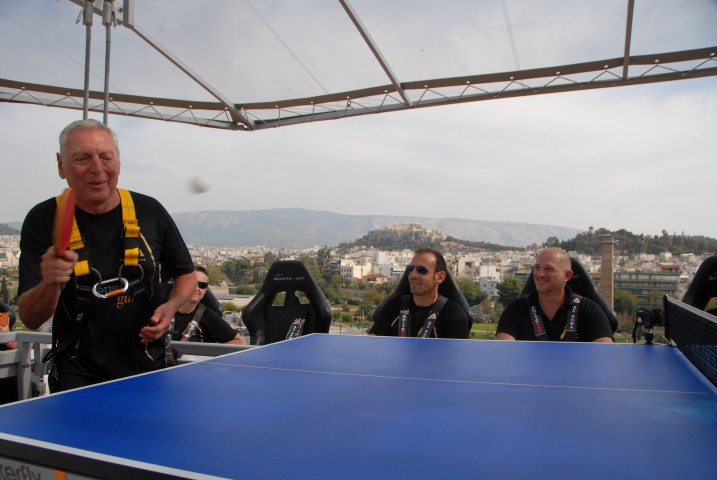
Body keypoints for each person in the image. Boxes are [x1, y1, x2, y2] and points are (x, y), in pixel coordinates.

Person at [17, 119, 196, 392]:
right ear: (61, 165)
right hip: (77, 378)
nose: (97, 168)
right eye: (82, 158)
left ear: (119, 163)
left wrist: (170, 308)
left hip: (147, 371)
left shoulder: (150, 211)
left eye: (106, 157)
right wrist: (51, 283)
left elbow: (186, 275)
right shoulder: (44, 219)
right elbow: (30, 318)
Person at [496, 247, 613, 342]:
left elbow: (605, 355)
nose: (540, 274)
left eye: (549, 269)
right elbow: (504, 353)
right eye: (537, 268)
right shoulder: (515, 310)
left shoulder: (589, 310)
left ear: (567, 276)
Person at [369, 248, 471, 338]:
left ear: (440, 277)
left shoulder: (454, 315)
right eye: (410, 269)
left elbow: (457, 353)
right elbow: (374, 344)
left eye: (422, 270)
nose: (412, 275)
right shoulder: (393, 307)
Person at [172, 266, 245, 344]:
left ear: (205, 290)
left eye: (202, 285)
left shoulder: (208, 316)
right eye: (192, 283)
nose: (197, 289)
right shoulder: (164, 308)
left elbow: (240, 341)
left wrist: (207, 350)